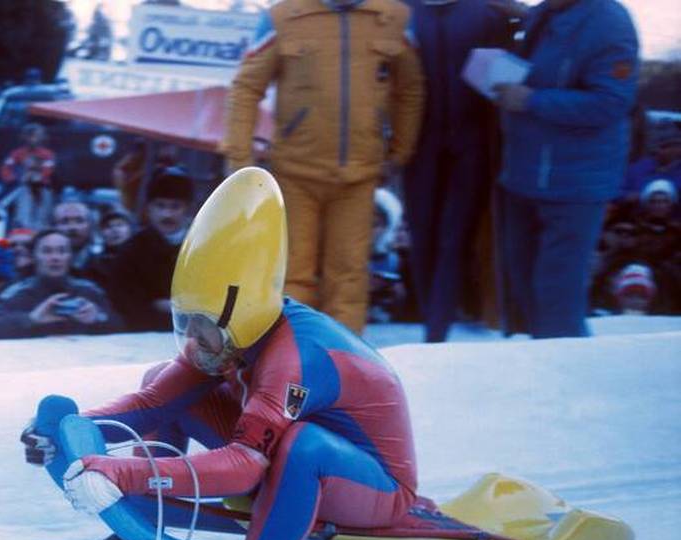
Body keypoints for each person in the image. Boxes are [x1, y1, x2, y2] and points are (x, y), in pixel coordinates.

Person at [31, 169, 426, 540]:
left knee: (302, 448)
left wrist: (121, 471)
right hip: (298, 453)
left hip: (378, 488)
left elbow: (243, 466)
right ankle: (139, 529)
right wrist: (67, 431)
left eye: (203, 325)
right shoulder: (234, 328)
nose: (194, 337)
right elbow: (152, 403)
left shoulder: (296, 359)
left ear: (238, 315)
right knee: (172, 383)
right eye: (186, 322)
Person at [222, 0, 425, 335]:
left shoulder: (395, 17)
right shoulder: (281, 16)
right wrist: (239, 159)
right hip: (294, 174)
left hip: (359, 177)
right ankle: (288, 359)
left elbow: (411, 88)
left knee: (348, 277)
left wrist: (400, 152)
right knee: (290, 276)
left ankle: (342, 361)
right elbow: (246, 87)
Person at [493, 0, 639, 338]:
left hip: (573, 185)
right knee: (526, 288)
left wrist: (531, 100)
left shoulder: (610, 22)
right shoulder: (546, 13)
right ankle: (541, 373)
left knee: (557, 296)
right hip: (523, 175)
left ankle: (567, 374)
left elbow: (611, 102)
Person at [404, 0, 512, 342]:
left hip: (471, 143)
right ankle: (430, 318)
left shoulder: (485, 12)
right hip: (419, 143)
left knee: (454, 238)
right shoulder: (401, 11)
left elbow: (505, 74)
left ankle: (437, 328)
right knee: (423, 236)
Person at [0, 230, 121, 339]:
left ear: (70, 257)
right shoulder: (18, 293)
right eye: (47, 251)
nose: (55, 257)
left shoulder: (89, 291)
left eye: (62, 251)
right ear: (34, 256)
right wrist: (31, 319)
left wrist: (99, 318)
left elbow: (121, 327)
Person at [106, 167, 194, 332]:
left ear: (187, 209)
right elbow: (122, 300)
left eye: (175, 207)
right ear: (149, 209)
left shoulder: (201, 246)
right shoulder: (132, 251)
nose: (167, 214)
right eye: (160, 206)